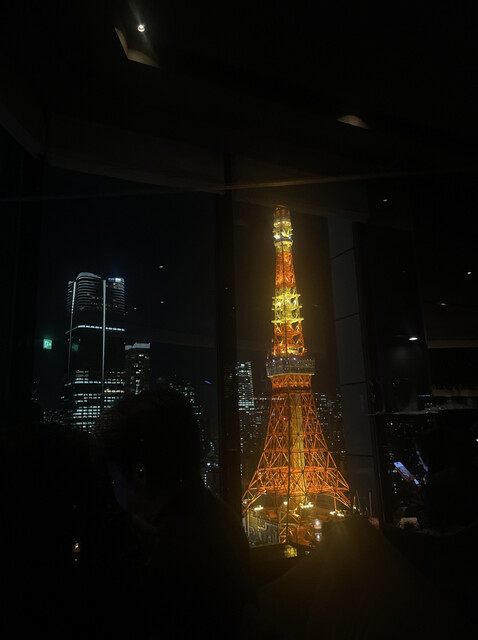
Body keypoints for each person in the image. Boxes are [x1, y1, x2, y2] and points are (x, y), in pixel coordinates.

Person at [90, 387, 255, 639]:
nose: (114, 490)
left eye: (114, 479)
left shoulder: (165, 572)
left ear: (140, 473)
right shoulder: (221, 519)